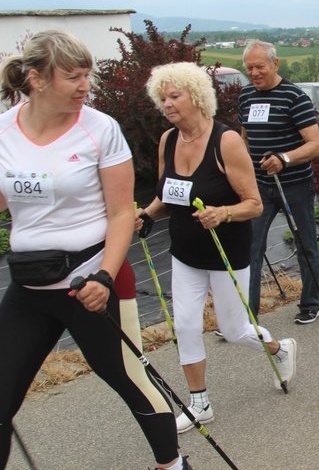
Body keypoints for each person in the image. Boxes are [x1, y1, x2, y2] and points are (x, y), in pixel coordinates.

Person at [0, 31, 189, 469]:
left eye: (88, 75)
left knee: (129, 380)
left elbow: (123, 213)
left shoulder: (99, 127)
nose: (86, 86)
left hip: (91, 279)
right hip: (30, 283)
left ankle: (172, 465)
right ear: (37, 78)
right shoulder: (5, 130)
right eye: (73, 77)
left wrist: (105, 275)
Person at [138, 62, 297, 433]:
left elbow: (254, 204)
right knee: (187, 324)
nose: (167, 104)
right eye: (162, 98)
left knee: (235, 328)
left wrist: (223, 213)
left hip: (227, 252)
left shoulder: (226, 141)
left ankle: (281, 349)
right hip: (185, 253)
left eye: (175, 96)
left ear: (196, 97)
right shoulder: (168, 140)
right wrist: (146, 214)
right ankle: (199, 402)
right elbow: (167, 195)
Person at [239, 39, 319, 324]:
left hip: (294, 185)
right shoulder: (245, 96)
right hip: (258, 187)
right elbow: (244, 138)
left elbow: (316, 145)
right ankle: (246, 315)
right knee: (250, 247)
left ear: (275, 64)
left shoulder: (294, 97)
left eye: (259, 66)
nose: (254, 73)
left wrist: (285, 159)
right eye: (249, 67)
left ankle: (311, 302)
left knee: (305, 244)